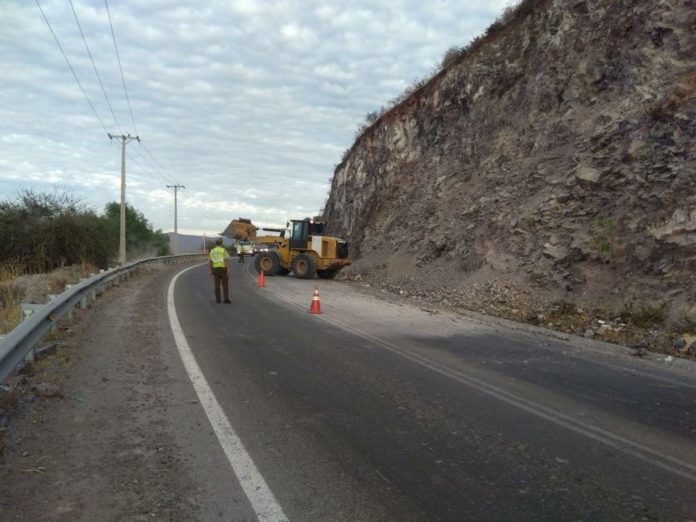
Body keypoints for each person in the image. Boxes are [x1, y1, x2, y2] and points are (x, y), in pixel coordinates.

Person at [209, 237, 230, 303]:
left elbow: (210, 261)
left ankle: (218, 299)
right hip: (223, 268)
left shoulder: (212, 251)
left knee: (216, 285)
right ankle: (226, 299)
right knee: (225, 284)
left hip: (215, 269)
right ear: (221, 243)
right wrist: (228, 269)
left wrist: (210, 270)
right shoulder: (223, 250)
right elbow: (226, 260)